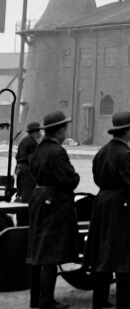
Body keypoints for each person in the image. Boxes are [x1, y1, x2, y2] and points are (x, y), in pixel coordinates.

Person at [86, 111, 130, 309]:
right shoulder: (125, 153)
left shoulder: (102, 151)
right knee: (124, 254)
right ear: (128, 130)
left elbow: (96, 177)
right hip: (121, 206)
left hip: (102, 203)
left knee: (103, 253)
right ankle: (124, 303)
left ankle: (100, 301)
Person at [27, 110, 81, 309]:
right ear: (59, 131)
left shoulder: (38, 150)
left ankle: (37, 299)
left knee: (39, 252)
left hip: (39, 198)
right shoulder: (57, 151)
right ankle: (46, 301)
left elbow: (33, 173)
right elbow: (69, 179)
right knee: (50, 253)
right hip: (54, 202)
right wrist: (74, 179)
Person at [15, 121, 41, 201]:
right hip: (27, 172)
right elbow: (35, 159)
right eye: (39, 132)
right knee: (27, 195)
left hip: (21, 170)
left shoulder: (26, 140)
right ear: (35, 132)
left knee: (23, 193)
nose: (40, 134)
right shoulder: (31, 142)